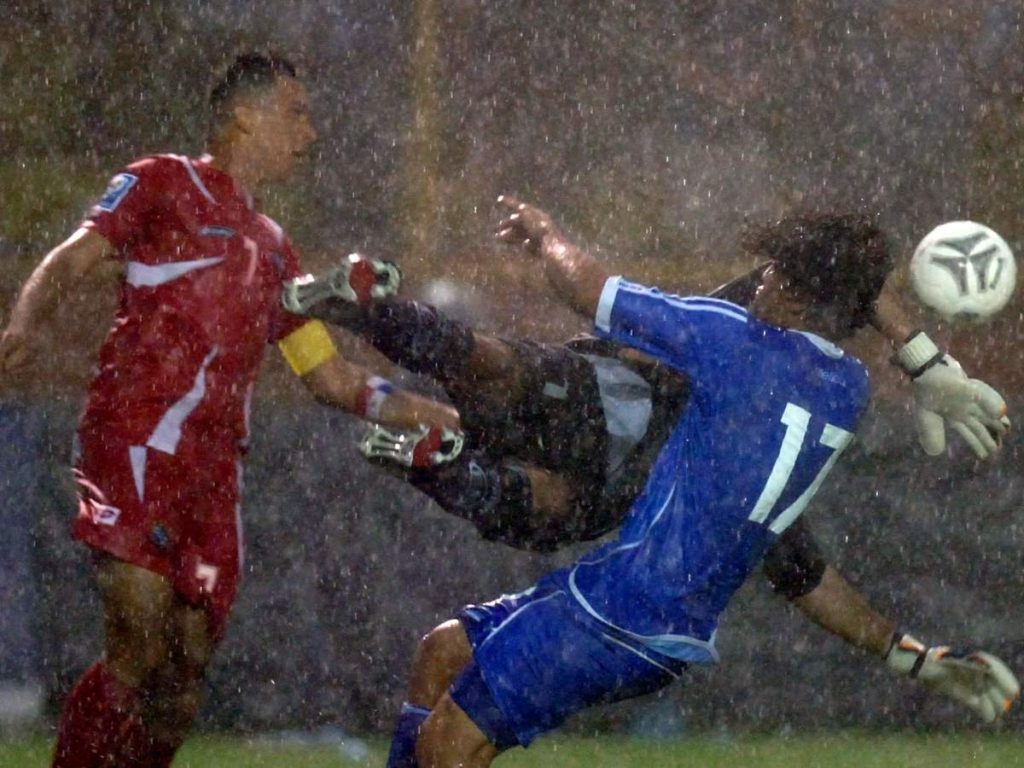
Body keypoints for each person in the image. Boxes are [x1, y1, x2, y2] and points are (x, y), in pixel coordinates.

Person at [284, 205, 1015, 768]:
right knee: (442, 652)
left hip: (617, 611)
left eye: (772, 272)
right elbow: (803, 571)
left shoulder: (731, 340)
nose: (758, 279)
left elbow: (588, 288)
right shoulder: (847, 389)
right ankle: (453, 463)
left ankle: (435, 428)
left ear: (793, 291)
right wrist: (919, 356)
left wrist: (546, 237)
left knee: (448, 746)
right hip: (661, 626)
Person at [0, 53, 459, 768]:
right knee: (138, 638)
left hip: (214, 476)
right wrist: (25, 323)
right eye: (295, 113)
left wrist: (432, 413)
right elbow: (71, 259)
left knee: (182, 674)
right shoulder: (161, 182)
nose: (309, 133)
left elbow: (330, 377)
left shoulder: (277, 251)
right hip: (135, 440)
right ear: (244, 115)